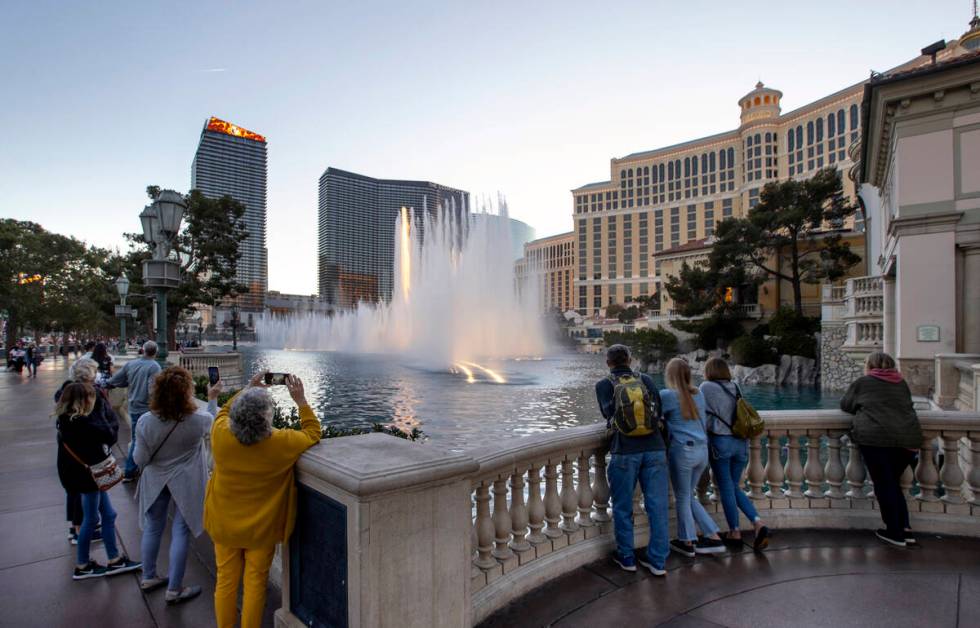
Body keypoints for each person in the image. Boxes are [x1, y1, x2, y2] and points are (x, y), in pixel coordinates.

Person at [205, 371, 321, 628]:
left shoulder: (221, 434)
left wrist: (248, 388)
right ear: (267, 417)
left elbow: (224, 411)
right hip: (261, 530)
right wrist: (300, 400)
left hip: (223, 523)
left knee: (225, 581)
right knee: (255, 585)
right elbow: (313, 431)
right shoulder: (281, 443)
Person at [134, 366, 221, 604]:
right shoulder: (197, 420)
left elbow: (138, 459)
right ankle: (174, 589)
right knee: (181, 532)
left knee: (153, 527)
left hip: (155, 481)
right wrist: (212, 398)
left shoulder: (145, 422)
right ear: (187, 393)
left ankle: (149, 576)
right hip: (186, 482)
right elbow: (211, 422)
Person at [594, 344, 669, 576]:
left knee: (622, 506)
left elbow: (608, 415)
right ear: (630, 359)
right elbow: (659, 410)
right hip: (655, 449)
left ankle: (627, 557)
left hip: (625, 451)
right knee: (657, 506)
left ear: (608, 363)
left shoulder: (604, 385)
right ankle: (657, 561)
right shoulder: (645, 379)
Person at [55, 382, 141, 580]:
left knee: (109, 514)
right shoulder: (84, 424)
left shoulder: (65, 420)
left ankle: (114, 559)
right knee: (92, 519)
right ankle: (83, 564)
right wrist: (103, 407)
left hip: (82, 476)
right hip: (88, 478)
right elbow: (110, 435)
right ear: (85, 401)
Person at [840, 351, 923, 547]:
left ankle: (894, 532)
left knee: (884, 486)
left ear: (870, 365)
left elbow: (846, 404)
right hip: (908, 440)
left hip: (876, 439)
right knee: (893, 484)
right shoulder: (901, 382)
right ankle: (905, 529)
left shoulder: (864, 382)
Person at [700, 358, 770, 551]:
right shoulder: (735, 386)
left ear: (709, 371)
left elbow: (700, 413)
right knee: (733, 486)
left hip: (720, 442)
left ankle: (735, 531)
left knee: (726, 487)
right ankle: (757, 522)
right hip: (741, 443)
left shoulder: (706, 387)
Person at [661, 357, 725, 557]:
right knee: (688, 495)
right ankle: (713, 535)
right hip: (702, 452)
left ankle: (687, 541)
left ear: (669, 375)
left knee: (682, 497)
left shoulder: (667, 395)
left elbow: (654, 418)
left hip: (683, 451)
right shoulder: (698, 394)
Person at [55, 359, 106, 545]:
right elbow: (101, 429)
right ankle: (81, 532)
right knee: (81, 492)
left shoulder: (65, 393)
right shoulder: (85, 397)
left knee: (73, 492)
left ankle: (73, 527)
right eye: (95, 372)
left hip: (67, 454)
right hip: (82, 457)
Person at [106, 340, 162, 481]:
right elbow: (152, 390)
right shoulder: (154, 366)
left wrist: (128, 383)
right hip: (147, 408)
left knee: (137, 438)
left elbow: (114, 380)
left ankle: (137, 468)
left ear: (142, 350)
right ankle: (130, 470)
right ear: (156, 352)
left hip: (133, 406)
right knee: (143, 439)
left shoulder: (131, 364)